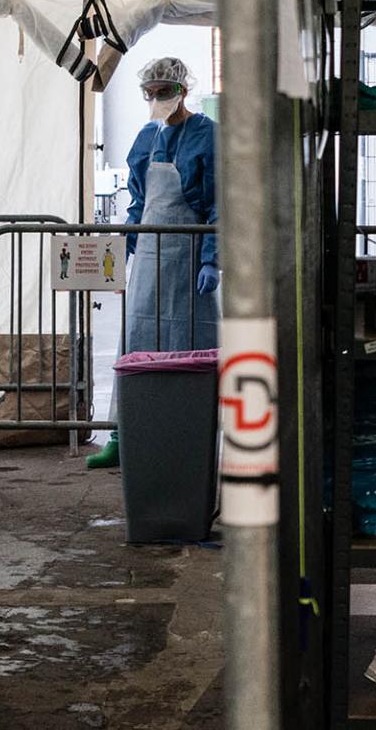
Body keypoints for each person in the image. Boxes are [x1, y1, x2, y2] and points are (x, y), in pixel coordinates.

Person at [84, 57, 219, 469]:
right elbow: (140, 202)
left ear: (182, 89)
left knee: (187, 348)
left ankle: (186, 433)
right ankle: (124, 435)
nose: (158, 98)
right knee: (137, 341)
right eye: (151, 92)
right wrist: (124, 247)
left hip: (189, 259)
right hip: (148, 255)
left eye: (165, 91)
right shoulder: (146, 137)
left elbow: (218, 204)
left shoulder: (208, 137)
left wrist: (212, 258)